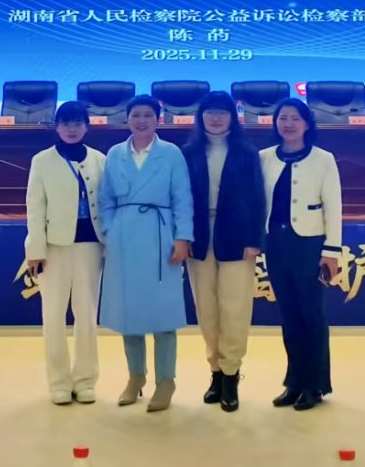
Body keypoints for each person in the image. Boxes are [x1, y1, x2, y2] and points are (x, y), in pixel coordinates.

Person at [98, 94, 193, 412]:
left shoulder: (171, 153)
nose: (141, 121)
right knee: (129, 312)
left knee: (163, 313)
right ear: (127, 119)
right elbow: (105, 199)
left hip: (160, 237)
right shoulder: (115, 154)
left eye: (147, 115)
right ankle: (135, 376)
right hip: (124, 238)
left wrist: (182, 237)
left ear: (158, 119)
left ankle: (166, 380)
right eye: (136, 115)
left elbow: (182, 198)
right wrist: (110, 230)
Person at [181, 90, 266, 413]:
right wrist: (182, 236)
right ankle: (215, 372)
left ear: (233, 117)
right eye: (210, 112)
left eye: (222, 112)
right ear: (200, 117)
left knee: (235, 307)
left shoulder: (246, 153)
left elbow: (257, 199)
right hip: (199, 237)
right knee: (206, 308)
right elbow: (180, 199)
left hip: (237, 237)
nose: (215, 118)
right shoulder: (188, 153)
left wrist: (255, 239)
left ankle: (231, 374)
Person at [260, 96, 343, 411]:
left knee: (312, 315)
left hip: (310, 246)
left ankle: (316, 385)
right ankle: (294, 382)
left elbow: (333, 207)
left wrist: (332, 251)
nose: (288, 124)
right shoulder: (264, 158)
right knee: (289, 316)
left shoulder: (323, 159)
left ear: (307, 124)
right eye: (283, 118)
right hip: (276, 245)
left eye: (295, 118)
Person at [24, 101, 106, 406]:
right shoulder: (42, 160)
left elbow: (107, 204)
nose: (72, 128)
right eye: (66, 123)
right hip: (54, 248)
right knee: (53, 315)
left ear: (87, 126)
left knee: (87, 315)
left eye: (77, 123)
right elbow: (35, 207)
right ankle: (58, 382)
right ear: (56, 127)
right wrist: (35, 249)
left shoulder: (99, 159)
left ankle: (85, 381)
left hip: (91, 245)